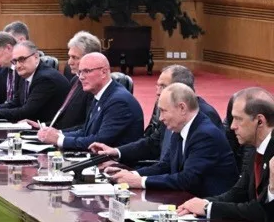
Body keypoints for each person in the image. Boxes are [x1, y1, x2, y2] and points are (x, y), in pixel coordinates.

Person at [99, 84, 237, 197]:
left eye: (163, 111)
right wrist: (131, 174)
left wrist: (140, 181)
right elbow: (165, 166)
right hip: (187, 199)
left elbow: (187, 179)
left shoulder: (205, 134)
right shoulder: (179, 128)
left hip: (212, 208)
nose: (160, 118)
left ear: (182, 108)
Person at [178, 88, 274, 222]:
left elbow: (262, 210)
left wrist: (208, 208)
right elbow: (238, 193)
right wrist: (204, 203)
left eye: (238, 119)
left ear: (260, 121)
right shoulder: (255, 148)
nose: (232, 126)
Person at [101, 65, 222, 167]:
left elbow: (191, 173)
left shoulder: (205, 115)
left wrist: (140, 179)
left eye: (163, 86)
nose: (158, 92)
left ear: (180, 88)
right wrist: (117, 152)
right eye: (157, 86)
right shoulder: (168, 110)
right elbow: (153, 144)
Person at [37, 52, 143, 151]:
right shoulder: (100, 94)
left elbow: (99, 141)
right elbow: (86, 131)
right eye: (80, 72)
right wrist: (58, 134)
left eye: (87, 71)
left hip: (116, 162)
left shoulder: (119, 101)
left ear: (103, 72)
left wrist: (60, 140)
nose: (81, 77)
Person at [0, 41, 70, 124]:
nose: (18, 65)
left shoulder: (45, 79)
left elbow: (26, 112)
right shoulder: (26, 74)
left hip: (51, 130)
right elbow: (16, 103)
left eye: (22, 59)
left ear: (36, 57)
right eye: (15, 61)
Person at [41, 31, 100, 130]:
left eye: (75, 58)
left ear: (90, 58)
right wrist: (42, 126)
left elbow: (86, 126)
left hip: (71, 137)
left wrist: (58, 134)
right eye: (69, 57)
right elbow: (65, 119)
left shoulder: (93, 87)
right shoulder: (75, 80)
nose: (69, 62)